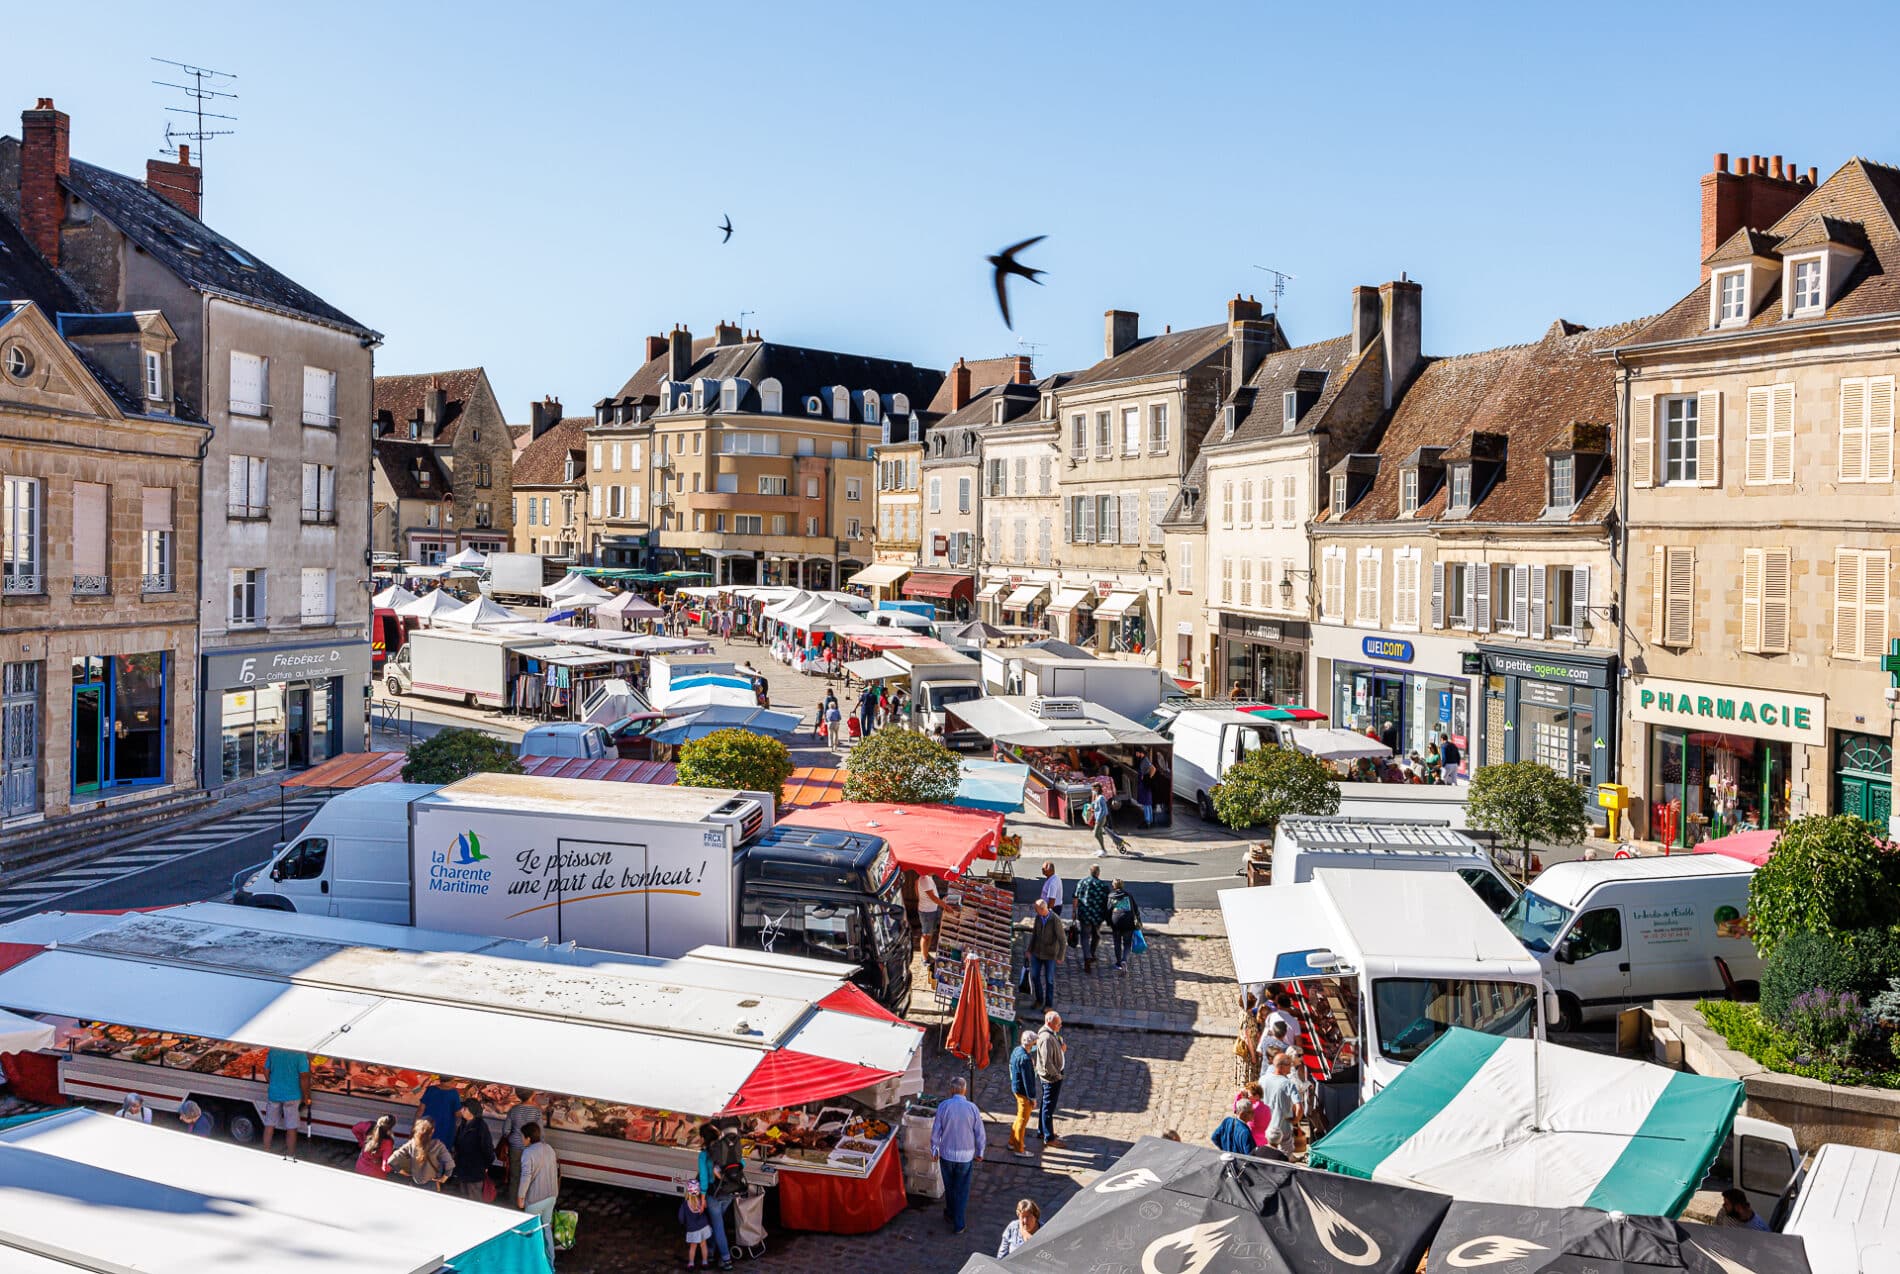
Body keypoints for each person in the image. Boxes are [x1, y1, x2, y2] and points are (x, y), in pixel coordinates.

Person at [930, 1076, 985, 1235]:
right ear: (964, 1090)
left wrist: (934, 1149)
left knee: (950, 1186)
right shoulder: (972, 1108)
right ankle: (958, 1222)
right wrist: (980, 1152)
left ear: (951, 1090)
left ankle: (951, 1213)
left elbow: (936, 1132)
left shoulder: (943, 1106)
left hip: (946, 1154)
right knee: (961, 1189)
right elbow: (980, 1133)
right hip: (965, 1156)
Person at [696, 1122, 741, 1270]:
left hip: (713, 1193)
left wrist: (702, 1197)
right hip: (729, 1191)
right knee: (717, 1223)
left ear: (703, 1138)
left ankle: (726, 1259)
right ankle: (710, 1253)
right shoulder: (726, 1148)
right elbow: (741, 1164)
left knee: (718, 1227)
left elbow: (703, 1178)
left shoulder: (704, 1155)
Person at [516, 1122, 561, 1267]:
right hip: (551, 1195)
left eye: (522, 1136)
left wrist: (521, 1197)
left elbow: (526, 1177)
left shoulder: (528, 1153)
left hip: (535, 1199)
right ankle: (550, 1263)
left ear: (528, 1138)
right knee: (546, 1228)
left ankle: (532, 1265)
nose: (522, 1139)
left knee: (530, 1232)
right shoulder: (549, 1149)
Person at [499, 1088, 545, 1207]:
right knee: (529, 1176)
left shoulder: (514, 1110)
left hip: (515, 1147)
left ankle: (513, 1203)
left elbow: (505, 1130)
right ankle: (526, 1203)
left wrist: (511, 1138)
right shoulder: (537, 1111)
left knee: (515, 1176)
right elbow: (541, 1133)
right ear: (532, 1095)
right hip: (532, 1149)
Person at [261, 1048, 311, 1155]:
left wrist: (273, 1083)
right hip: (292, 1095)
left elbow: (265, 1071)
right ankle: (290, 1154)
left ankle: (265, 1151)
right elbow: (304, 1077)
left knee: (269, 1124)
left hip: (274, 1094)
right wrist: (306, 1096)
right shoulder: (300, 1054)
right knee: (291, 1127)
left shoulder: (273, 1050)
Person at [388, 1118, 456, 1189]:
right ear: (432, 1131)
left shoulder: (412, 1144)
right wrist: (443, 1178)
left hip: (414, 1183)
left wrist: (403, 1172)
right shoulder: (438, 1145)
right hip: (431, 1185)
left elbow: (391, 1160)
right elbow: (450, 1164)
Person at [1259, 1050, 1304, 1157]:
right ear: (1281, 1066)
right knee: (1285, 1156)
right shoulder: (1288, 1084)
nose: (1291, 1067)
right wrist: (1295, 1120)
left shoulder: (1263, 1079)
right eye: (1289, 1064)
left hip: (1265, 1125)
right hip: (1283, 1127)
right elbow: (1299, 1108)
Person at [451, 1096, 495, 1200]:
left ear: (472, 1110)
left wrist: (485, 1165)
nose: (462, 1110)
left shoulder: (480, 1126)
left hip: (474, 1170)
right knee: (463, 1197)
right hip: (463, 1168)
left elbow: (488, 1148)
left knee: (474, 1198)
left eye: (464, 1108)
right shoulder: (463, 1123)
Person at [1034, 1010, 1067, 1148]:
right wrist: (1057, 1075)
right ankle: (1048, 1136)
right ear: (1049, 1022)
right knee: (1049, 1107)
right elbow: (1047, 1062)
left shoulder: (1050, 1034)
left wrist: (1061, 1051)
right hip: (1051, 1078)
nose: (1060, 1026)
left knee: (1046, 1104)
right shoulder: (1046, 1038)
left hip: (1051, 1076)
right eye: (1058, 1024)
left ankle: (1042, 1130)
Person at [1073, 864, 1111, 973]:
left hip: (1085, 914)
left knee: (1084, 936)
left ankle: (1087, 957)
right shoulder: (1103, 886)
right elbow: (1107, 902)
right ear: (1098, 873)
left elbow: (1075, 897)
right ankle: (1092, 953)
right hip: (1098, 916)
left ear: (1090, 872)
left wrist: (1074, 912)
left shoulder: (1082, 882)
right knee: (1096, 935)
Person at [1007, 1029, 1039, 1156]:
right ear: (1031, 1044)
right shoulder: (1025, 1059)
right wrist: (1032, 1097)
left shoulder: (1017, 1051)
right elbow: (1028, 1081)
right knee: (1022, 1120)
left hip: (1016, 1087)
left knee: (1019, 1117)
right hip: (1023, 1092)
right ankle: (1019, 1148)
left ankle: (1012, 1141)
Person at [1028, 898, 1064, 1010]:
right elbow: (1034, 934)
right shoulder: (1038, 917)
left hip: (1050, 955)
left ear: (1042, 909)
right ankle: (1039, 1000)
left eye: (1036, 909)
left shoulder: (1055, 920)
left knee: (1049, 980)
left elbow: (1062, 940)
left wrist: (1060, 956)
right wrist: (1029, 949)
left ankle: (1048, 1005)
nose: (1035, 910)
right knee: (1034, 977)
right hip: (1037, 953)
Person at [417, 1075, 462, 1152]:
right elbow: (458, 1114)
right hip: (445, 1130)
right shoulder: (454, 1093)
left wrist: (415, 1128)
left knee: (423, 1154)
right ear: (451, 1079)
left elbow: (420, 1110)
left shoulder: (430, 1090)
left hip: (428, 1128)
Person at [1106, 879, 1142, 973]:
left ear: (1114, 886)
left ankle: (1118, 963)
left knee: (1117, 943)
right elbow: (1135, 909)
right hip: (1128, 922)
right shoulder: (1128, 895)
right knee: (1127, 943)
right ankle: (1124, 960)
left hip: (1116, 922)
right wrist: (1138, 920)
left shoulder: (1111, 896)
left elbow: (1108, 910)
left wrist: (1109, 922)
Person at [681, 1185, 715, 1268]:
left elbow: (681, 1218)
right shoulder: (700, 1201)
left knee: (693, 1247)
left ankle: (691, 1264)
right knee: (703, 1245)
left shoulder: (685, 1205)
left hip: (693, 1229)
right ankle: (705, 1262)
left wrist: (684, 1223)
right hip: (703, 1227)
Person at [1088, 787, 1126, 857]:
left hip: (1101, 819)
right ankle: (1104, 848)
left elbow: (1104, 810)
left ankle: (1104, 850)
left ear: (1097, 789)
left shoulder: (1101, 797)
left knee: (1096, 834)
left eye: (1093, 789)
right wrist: (1091, 807)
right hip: (1098, 819)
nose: (1092, 791)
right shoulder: (1097, 797)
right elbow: (1095, 805)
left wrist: (1099, 819)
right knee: (1103, 833)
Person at [916, 871, 943, 960]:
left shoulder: (927, 878)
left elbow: (916, 889)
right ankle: (924, 958)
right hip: (927, 912)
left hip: (931, 909)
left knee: (930, 934)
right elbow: (933, 897)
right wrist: (945, 906)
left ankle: (926, 953)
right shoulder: (925, 879)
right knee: (926, 935)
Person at [1238, 1081, 1272, 1147]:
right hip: (1264, 1141)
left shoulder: (1252, 1109)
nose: (1247, 1097)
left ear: (1256, 1096)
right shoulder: (1267, 1108)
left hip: (1252, 1141)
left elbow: (1237, 1111)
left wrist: (1239, 1096)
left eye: (1249, 1095)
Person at [1135, 752, 1158, 827]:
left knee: (1146, 803)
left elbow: (1153, 769)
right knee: (1147, 803)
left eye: (1137, 753)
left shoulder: (1145, 760)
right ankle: (1149, 820)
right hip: (1145, 784)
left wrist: (1148, 778)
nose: (1136, 754)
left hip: (1145, 784)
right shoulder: (1143, 760)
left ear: (1141, 753)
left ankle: (1147, 821)